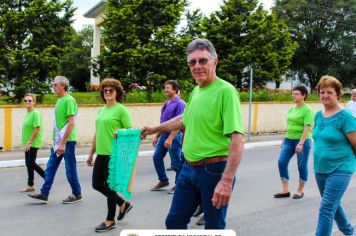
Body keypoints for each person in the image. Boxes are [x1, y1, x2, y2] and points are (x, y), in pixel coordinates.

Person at [141, 38, 245, 229]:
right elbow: (183, 120)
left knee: (213, 227)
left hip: (213, 170)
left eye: (203, 60)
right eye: (192, 62)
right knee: (174, 222)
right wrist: (154, 129)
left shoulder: (226, 91)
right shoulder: (196, 91)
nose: (197, 66)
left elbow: (237, 139)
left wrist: (227, 181)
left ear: (215, 61)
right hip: (188, 169)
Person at [87, 78, 133, 233]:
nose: (107, 92)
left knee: (110, 187)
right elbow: (97, 132)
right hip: (101, 153)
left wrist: (120, 132)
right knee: (96, 184)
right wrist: (91, 153)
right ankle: (122, 203)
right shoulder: (101, 110)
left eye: (110, 90)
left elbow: (131, 131)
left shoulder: (121, 110)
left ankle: (110, 219)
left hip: (114, 154)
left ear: (117, 92)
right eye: (105, 90)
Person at [27, 76, 82, 203]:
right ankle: (44, 193)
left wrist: (63, 143)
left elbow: (71, 123)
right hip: (58, 141)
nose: (53, 86)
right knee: (50, 167)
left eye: (55, 84)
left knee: (70, 168)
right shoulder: (60, 100)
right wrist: (58, 141)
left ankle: (77, 194)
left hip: (67, 141)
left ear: (63, 86)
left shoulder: (69, 100)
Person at [313, 75, 356, 236]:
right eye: (322, 92)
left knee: (326, 208)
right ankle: (349, 232)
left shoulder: (345, 117)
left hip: (341, 168)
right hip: (320, 169)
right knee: (332, 205)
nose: (325, 95)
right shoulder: (318, 115)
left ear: (338, 94)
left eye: (329, 92)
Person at [274, 85, 314, 199]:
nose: (293, 96)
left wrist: (301, 143)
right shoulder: (292, 109)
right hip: (289, 139)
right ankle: (285, 189)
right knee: (281, 162)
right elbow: (289, 125)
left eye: (296, 94)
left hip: (302, 140)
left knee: (301, 165)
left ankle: (300, 190)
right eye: (293, 93)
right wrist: (284, 139)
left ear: (304, 95)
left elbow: (307, 127)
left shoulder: (308, 110)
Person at [151, 80, 185, 193]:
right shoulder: (167, 102)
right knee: (156, 157)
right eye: (165, 87)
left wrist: (170, 138)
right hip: (164, 135)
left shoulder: (180, 104)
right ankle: (163, 180)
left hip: (175, 136)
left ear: (175, 89)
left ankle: (179, 185)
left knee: (176, 162)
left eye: (168, 88)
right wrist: (156, 135)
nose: (165, 89)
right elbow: (163, 122)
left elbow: (179, 122)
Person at [20, 94, 45, 192]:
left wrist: (30, 142)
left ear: (34, 102)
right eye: (25, 100)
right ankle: (30, 185)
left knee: (31, 163)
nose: (27, 102)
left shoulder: (35, 113)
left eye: (29, 101)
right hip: (28, 143)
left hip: (33, 143)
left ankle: (47, 178)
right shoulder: (28, 113)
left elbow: (37, 128)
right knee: (28, 163)